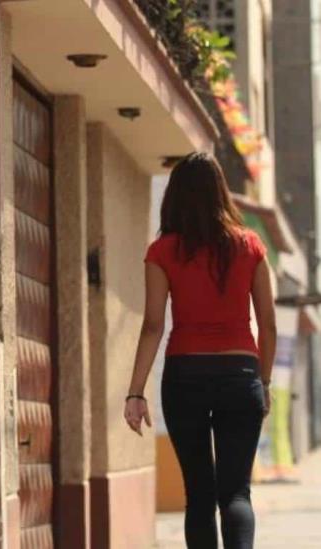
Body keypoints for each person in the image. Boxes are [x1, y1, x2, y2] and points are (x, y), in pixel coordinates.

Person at [124, 152, 276, 549]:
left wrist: (135, 391)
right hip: (241, 375)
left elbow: (153, 324)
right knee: (236, 494)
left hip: (184, 376)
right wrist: (264, 381)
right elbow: (269, 324)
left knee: (200, 495)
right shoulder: (250, 246)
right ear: (220, 192)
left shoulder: (162, 251)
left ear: (174, 197)